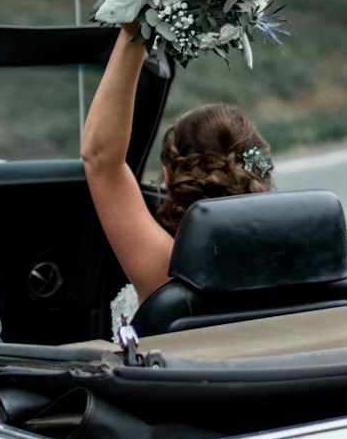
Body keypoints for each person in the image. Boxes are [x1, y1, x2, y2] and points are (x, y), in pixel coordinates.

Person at [81, 24, 273, 324]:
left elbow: (101, 159)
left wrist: (137, 24)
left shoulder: (166, 270)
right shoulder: (295, 258)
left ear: (169, 177)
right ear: (257, 169)